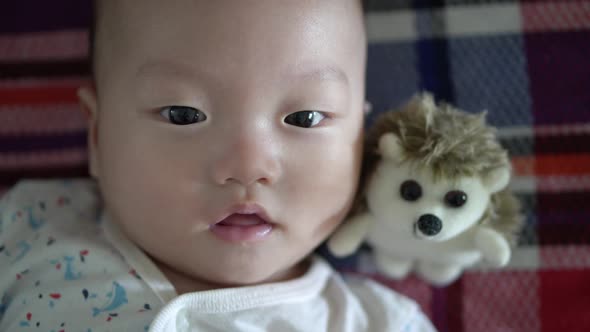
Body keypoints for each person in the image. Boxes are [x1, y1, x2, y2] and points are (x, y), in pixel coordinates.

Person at [0, 1, 436, 330]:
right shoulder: (30, 223)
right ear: (97, 135)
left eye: (304, 118)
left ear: (362, 136)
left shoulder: (379, 322)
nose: (248, 167)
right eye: (183, 115)